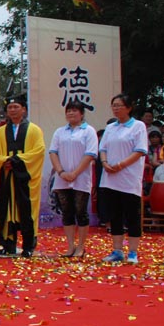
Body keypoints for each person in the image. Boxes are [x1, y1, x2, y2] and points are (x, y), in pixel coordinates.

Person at [0, 94, 46, 257]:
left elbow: (38, 152)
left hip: (24, 178)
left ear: (24, 109)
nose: (13, 110)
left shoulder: (34, 130)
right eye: (10, 107)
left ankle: (28, 245)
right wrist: (5, 162)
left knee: (26, 210)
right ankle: (8, 244)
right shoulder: (1, 132)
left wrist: (15, 162)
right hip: (7, 177)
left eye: (16, 107)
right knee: (6, 208)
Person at [100, 93, 148, 264]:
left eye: (119, 105)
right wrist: (105, 162)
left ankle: (133, 252)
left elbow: (140, 150)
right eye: (114, 105)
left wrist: (120, 165)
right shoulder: (111, 127)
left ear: (129, 107)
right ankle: (117, 250)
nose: (116, 108)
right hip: (110, 178)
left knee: (132, 216)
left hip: (128, 178)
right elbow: (103, 148)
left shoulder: (138, 126)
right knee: (115, 216)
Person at [48, 100, 98, 258]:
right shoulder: (60, 132)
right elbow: (53, 152)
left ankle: (81, 246)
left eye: (74, 110)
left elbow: (90, 154)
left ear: (82, 113)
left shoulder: (88, 131)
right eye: (68, 111)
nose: (71, 113)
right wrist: (61, 172)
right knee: (67, 212)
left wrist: (75, 173)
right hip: (62, 178)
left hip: (81, 177)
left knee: (80, 211)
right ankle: (70, 246)